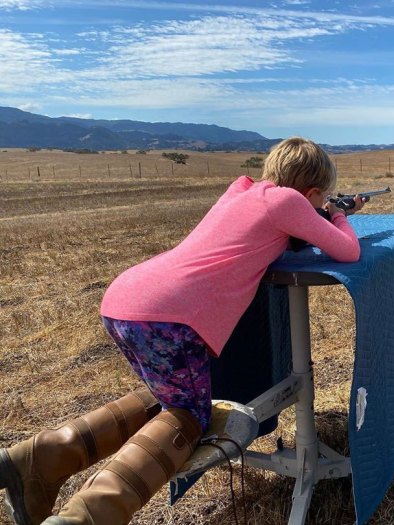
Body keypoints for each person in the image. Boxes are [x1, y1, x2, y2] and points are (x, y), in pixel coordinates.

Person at [0, 137, 364, 525]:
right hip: (169, 318)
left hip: (129, 301)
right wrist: (336, 214)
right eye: (317, 198)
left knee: (168, 401)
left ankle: (39, 459)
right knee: (188, 420)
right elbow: (348, 251)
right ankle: (89, 516)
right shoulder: (289, 202)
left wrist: (319, 211)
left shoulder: (241, 191)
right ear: (310, 191)